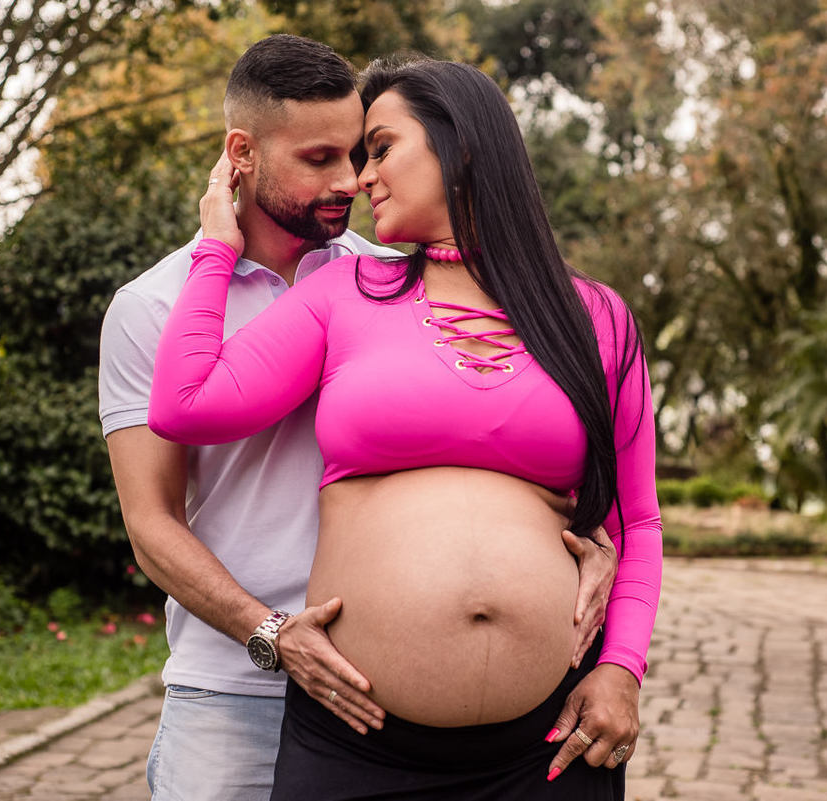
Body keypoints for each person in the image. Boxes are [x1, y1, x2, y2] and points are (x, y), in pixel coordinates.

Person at [99, 37, 619, 800]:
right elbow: (152, 523)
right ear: (241, 154)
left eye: (358, 152)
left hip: (389, 690)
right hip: (235, 681)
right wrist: (271, 632)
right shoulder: (151, 307)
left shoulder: (394, 275)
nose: (351, 179)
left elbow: (498, 430)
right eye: (320, 159)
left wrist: (586, 535)